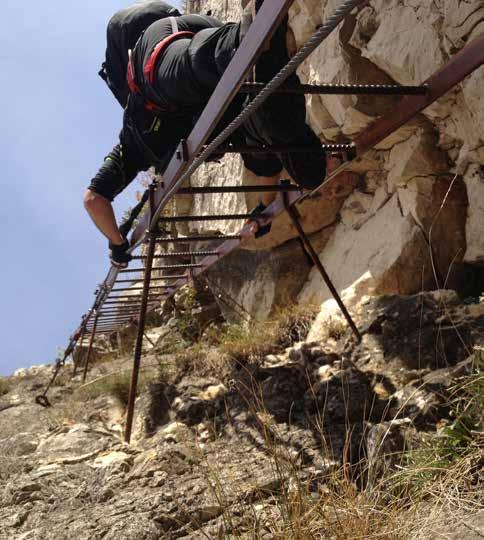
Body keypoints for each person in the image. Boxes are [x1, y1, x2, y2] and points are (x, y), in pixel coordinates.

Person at [84, 1, 327, 267]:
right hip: (204, 32)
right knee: (250, 131)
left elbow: (94, 199)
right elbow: (262, 164)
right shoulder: (143, 136)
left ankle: (243, 42)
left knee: (179, 73)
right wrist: (262, 207)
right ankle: (283, 129)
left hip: (165, 51)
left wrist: (117, 246)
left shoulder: (133, 140)